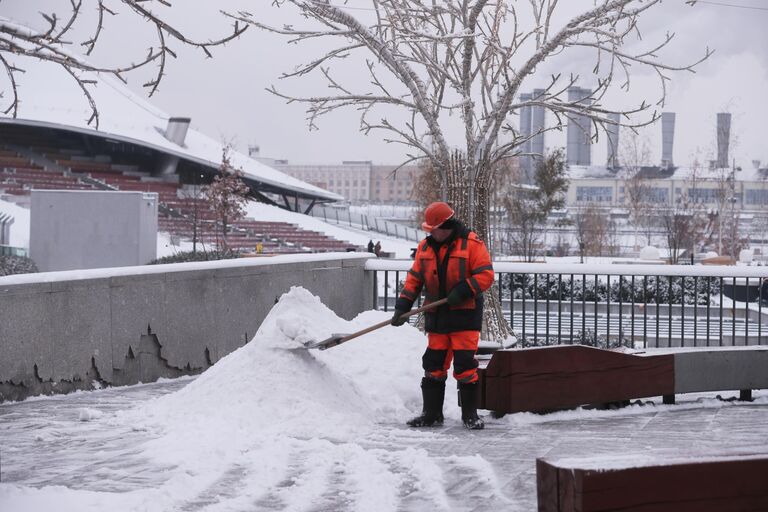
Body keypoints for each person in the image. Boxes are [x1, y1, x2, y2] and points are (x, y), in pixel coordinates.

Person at [390, 201, 494, 430]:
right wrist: (402, 306)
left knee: (465, 365)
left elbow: (486, 275)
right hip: (436, 315)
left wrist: (463, 290)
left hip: (464, 316)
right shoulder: (424, 248)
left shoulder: (471, 244)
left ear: (444, 226)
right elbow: (414, 280)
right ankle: (431, 414)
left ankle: (470, 415)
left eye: (431, 228)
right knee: (433, 363)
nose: (428, 233)